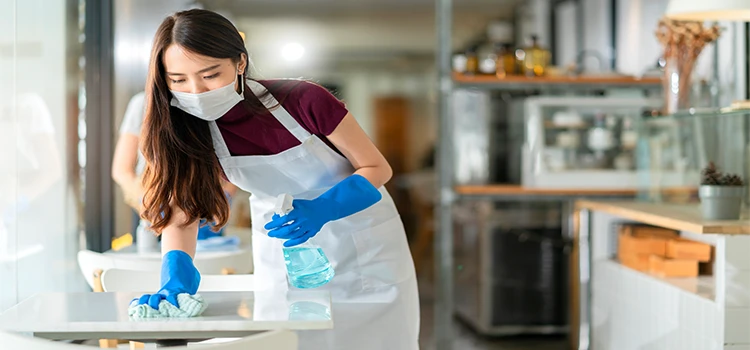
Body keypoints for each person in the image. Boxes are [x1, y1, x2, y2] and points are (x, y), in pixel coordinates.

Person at [132, 9, 419, 349]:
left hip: (362, 246)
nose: (196, 91)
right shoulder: (187, 127)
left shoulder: (303, 100)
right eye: (178, 80)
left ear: (240, 62)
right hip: (284, 248)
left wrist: (324, 208)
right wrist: (175, 271)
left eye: (210, 74)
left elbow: (376, 168)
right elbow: (183, 211)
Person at [112, 91, 238, 248]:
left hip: (206, 206)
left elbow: (236, 163)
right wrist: (147, 202)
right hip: (153, 207)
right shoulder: (142, 104)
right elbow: (122, 170)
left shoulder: (213, 102)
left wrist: (225, 196)